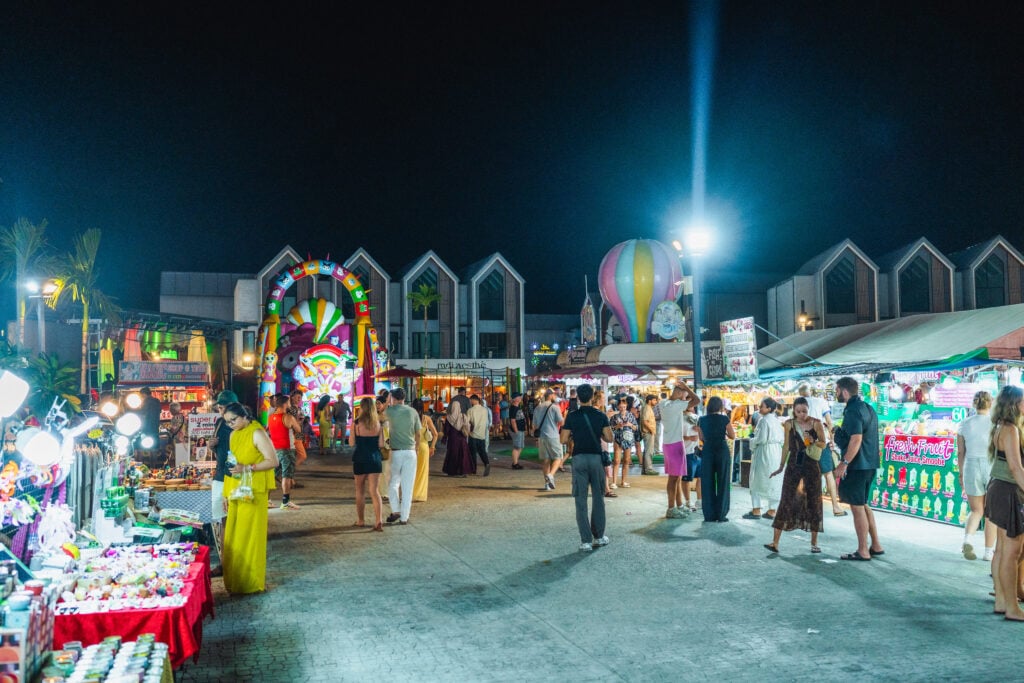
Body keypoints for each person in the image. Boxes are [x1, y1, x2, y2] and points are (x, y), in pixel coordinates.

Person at [221, 402, 279, 594]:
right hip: (237, 490)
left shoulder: (257, 433)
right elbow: (232, 464)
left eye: (233, 420)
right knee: (234, 537)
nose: (231, 424)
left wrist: (248, 467)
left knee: (249, 537)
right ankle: (235, 581)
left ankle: (251, 583)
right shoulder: (233, 434)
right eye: (227, 421)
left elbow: (273, 461)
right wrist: (225, 493)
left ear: (245, 415)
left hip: (253, 492)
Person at [764, 397, 826, 554]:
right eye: (798, 411)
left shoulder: (816, 423)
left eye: (804, 411)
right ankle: (775, 542)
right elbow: (786, 446)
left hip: (811, 464)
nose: (802, 414)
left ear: (808, 409)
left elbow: (824, 443)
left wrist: (813, 441)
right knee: (786, 499)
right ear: (794, 410)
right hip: (793, 464)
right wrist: (780, 466)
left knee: (814, 500)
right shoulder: (789, 424)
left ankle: (814, 543)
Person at [833, 376, 884, 561]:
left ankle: (863, 550)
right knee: (862, 504)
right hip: (870, 463)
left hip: (857, 465)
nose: (836, 394)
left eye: (837, 390)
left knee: (857, 507)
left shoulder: (853, 411)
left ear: (844, 391)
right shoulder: (868, 408)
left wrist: (843, 463)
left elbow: (856, 439)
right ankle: (876, 545)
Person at [985, 386, 1024, 620]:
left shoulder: (999, 426)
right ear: (1014, 404)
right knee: (1011, 551)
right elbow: (1016, 468)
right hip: (1009, 490)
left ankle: (1001, 600)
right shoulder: (1010, 429)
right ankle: (1012, 607)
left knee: (1001, 550)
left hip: (998, 487)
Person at [560, 383, 614, 551]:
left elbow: (563, 439)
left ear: (578, 398)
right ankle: (598, 536)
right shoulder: (600, 415)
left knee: (580, 500)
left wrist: (575, 436)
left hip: (578, 458)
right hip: (596, 458)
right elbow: (610, 438)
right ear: (592, 397)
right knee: (598, 498)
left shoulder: (572, 416)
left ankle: (585, 541)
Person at [957, 391, 995, 561]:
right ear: (991, 403)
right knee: (991, 513)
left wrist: (960, 473)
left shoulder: (964, 424)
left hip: (970, 465)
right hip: (991, 465)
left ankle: (968, 539)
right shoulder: (995, 424)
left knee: (976, 510)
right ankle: (988, 552)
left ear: (974, 404)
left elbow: (960, 452)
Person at [799, 384, 846, 517]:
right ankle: (836, 507)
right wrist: (832, 440)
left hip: (806, 444)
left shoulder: (798, 404)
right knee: (828, 474)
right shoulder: (821, 402)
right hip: (821, 442)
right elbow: (829, 423)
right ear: (811, 391)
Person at [207, 389, 238, 571]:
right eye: (219, 407)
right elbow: (219, 450)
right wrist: (211, 446)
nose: (221, 410)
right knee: (221, 520)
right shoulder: (219, 422)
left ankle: (229, 563)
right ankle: (224, 562)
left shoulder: (240, 425)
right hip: (220, 475)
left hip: (232, 477)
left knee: (230, 520)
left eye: (224, 406)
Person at [659, 383, 700, 518]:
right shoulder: (677, 405)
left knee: (676, 477)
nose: (686, 399)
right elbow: (697, 400)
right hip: (675, 444)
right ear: (679, 393)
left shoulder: (663, 403)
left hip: (668, 443)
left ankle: (679, 505)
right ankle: (671, 508)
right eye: (684, 395)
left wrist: (683, 391)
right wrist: (687, 388)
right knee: (674, 478)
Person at [384, 388, 421, 525]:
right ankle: (404, 517)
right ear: (404, 398)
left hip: (395, 452)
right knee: (408, 486)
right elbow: (418, 434)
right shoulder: (413, 412)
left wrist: (387, 402)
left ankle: (396, 510)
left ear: (393, 397)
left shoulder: (390, 411)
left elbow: (379, 417)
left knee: (393, 483)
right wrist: (416, 449)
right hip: (410, 451)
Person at [696, 395, 735, 522]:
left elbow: (701, 437)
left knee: (707, 481)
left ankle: (709, 514)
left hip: (708, 451)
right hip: (722, 450)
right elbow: (732, 435)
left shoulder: (701, 420)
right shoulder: (724, 419)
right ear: (720, 407)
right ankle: (721, 513)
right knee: (723, 481)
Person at [745, 398, 784, 520]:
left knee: (756, 478)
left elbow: (761, 439)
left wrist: (751, 441)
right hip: (776, 453)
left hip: (764, 452)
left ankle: (756, 509)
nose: (760, 408)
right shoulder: (777, 421)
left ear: (769, 409)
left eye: (762, 406)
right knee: (773, 480)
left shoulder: (763, 421)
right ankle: (772, 510)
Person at [349, 397, 384, 531]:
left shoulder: (356, 423)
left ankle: (361, 520)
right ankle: (378, 520)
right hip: (375, 458)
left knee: (359, 491)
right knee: (374, 491)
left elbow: (351, 443)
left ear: (362, 408)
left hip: (360, 458)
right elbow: (381, 444)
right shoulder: (378, 423)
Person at [268, 395, 301, 510]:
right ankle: (285, 501)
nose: (290, 405)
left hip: (274, 449)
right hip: (287, 449)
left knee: (273, 475)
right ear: (285, 404)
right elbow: (298, 430)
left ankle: (267, 500)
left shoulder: (271, 417)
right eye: (289, 403)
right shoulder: (288, 417)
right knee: (286, 476)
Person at [533, 389, 565, 490]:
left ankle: (547, 484)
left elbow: (534, 425)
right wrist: (565, 416)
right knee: (558, 457)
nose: (555, 396)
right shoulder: (555, 407)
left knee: (546, 460)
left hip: (542, 436)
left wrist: (536, 439)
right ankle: (551, 475)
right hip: (553, 436)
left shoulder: (537, 408)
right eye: (554, 394)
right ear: (550, 396)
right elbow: (561, 422)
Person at [610, 397, 639, 490]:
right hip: (618, 439)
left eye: (624, 406)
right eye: (621, 407)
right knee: (616, 461)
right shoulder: (614, 417)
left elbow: (636, 428)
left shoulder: (631, 416)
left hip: (628, 439)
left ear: (626, 406)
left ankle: (623, 481)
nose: (622, 408)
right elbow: (611, 429)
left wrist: (630, 425)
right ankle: (614, 482)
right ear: (618, 407)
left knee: (626, 460)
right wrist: (617, 426)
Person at [411, 398, 438, 502]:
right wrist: (432, 447)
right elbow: (435, 434)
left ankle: (411, 494)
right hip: (423, 448)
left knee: (412, 472)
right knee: (422, 472)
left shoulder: (411, 418)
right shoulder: (427, 419)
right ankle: (420, 495)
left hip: (412, 447)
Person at [441, 397, 474, 476]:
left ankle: (452, 471)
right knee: (463, 455)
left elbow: (446, 430)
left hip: (452, 439)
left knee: (453, 455)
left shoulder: (449, 418)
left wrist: (444, 438)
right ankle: (463, 471)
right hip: (462, 439)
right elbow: (468, 426)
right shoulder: (463, 416)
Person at [466, 394, 492, 476]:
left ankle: (473, 470)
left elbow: (467, 422)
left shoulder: (470, 410)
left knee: (473, 453)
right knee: (482, 451)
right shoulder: (485, 410)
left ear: (473, 400)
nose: (470, 402)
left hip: (473, 434)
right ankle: (486, 463)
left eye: (471, 400)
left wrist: (467, 432)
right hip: (482, 434)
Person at [640, 395, 659, 475]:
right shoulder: (647, 408)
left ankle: (645, 469)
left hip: (648, 432)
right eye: (654, 400)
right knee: (649, 451)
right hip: (648, 432)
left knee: (647, 451)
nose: (656, 402)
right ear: (650, 400)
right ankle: (648, 469)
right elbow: (645, 421)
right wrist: (651, 430)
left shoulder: (648, 408)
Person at [508, 393, 526, 469]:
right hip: (517, 430)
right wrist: (516, 431)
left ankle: (516, 462)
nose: (520, 398)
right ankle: (515, 464)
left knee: (520, 446)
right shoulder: (513, 408)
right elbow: (513, 421)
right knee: (517, 447)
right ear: (515, 399)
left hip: (520, 429)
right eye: (519, 397)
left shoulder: (517, 407)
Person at [166, 402, 187, 466]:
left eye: (170, 409)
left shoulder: (175, 418)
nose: (170, 411)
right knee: (183, 457)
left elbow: (174, 429)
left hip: (177, 439)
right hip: (183, 439)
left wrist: (168, 429)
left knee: (176, 457)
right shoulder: (183, 417)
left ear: (173, 410)